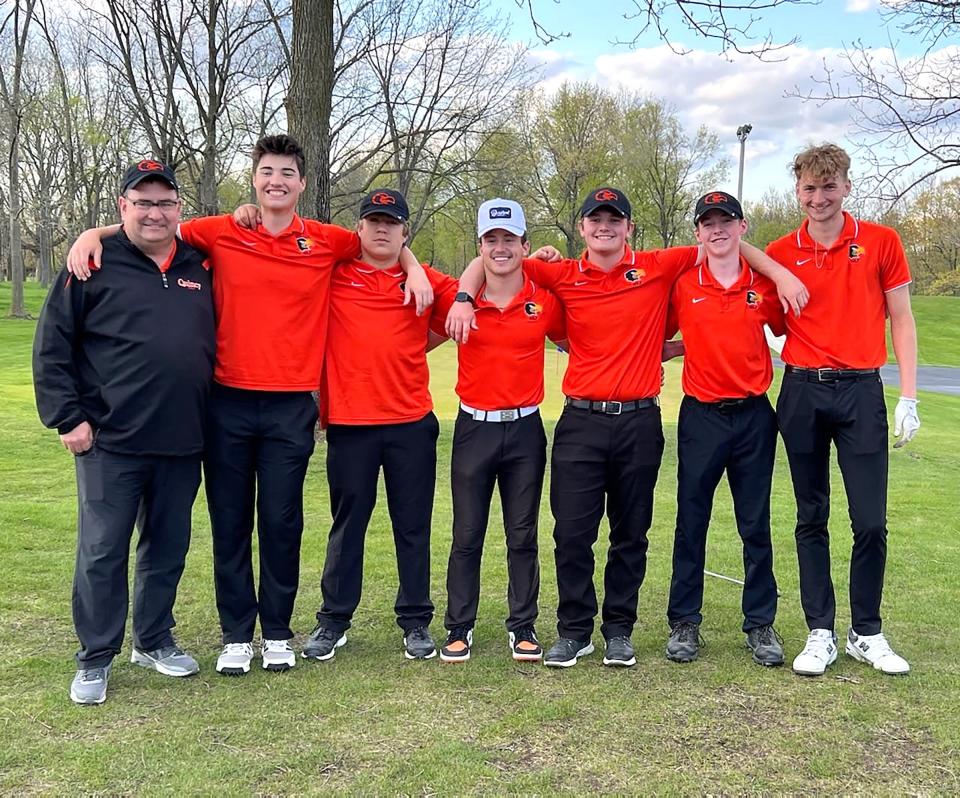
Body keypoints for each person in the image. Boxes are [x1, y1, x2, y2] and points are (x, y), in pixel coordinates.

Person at [65, 135, 433, 677]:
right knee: (230, 522)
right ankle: (237, 633)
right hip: (226, 404)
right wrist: (92, 232)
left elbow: (381, 240)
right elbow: (153, 227)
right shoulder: (221, 230)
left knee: (282, 522)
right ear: (254, 178)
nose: (276, 181)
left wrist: (416, 266)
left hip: (290, 408)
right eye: (267, 171)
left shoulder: (327, 240)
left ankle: (278, 631)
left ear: (302, 183)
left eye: (287, 172)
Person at [448, 186, 809, 668]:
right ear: (581, 229)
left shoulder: (657, 267)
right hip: (580, 421)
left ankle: (619, 630)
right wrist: (465, 297)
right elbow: (494, 258)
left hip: (640, 419)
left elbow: (721, 242)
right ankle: (575, 631)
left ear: (628, 228)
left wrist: (780, 272)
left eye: (614, 219)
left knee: (630, 533)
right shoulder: (559, 272)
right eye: (595, 219)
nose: (604, 227)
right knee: (572, 534)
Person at [34, 161, 215, 704]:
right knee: (102, 550)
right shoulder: (91, 263)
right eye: (143, 202)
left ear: (179, 209)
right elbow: (52, 345)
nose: (154, 212)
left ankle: (153, 638)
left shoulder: (201, 263)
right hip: (109, 440)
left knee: (167, 547)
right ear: (123, 208)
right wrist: (68, 417)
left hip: (183, 438)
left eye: (165, 202)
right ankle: (95, 656)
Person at [276, 189, 459, 661]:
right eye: (374, 221)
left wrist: (415, 272)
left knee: (412, 525)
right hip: (352, 424)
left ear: (405, 232)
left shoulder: (425, 281)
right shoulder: (334, 272)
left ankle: (416, 621)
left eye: (392, 223)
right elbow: (292, 238)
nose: (382, 229)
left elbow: (469, 296)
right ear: (359, 228)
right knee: (348, 524)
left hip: (411, 422)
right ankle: (334, 620)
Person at [766, 144, 919, 677]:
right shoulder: (781, 251)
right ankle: (821, 631)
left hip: (860, 391)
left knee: (870, 521)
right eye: (809, 188)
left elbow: (901, 318)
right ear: (798, 192)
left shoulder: (880, 241)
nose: (819, 197)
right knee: (811, 516)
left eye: (829, 186)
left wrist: (910, 395)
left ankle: (866, 632)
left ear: (846, 187)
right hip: (802, 390)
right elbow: (748, 297)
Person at [432, 199, 566, 663]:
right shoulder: (460, 300)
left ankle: (522, 625)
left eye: (510, 239)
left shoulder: (544, 298)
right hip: (475, 427)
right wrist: (466, 297)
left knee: (522, 532)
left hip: (526, 429)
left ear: (525, 245)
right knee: (467, 532)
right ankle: (458, 626)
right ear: (480, 246)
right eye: (492, 239)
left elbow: (579, 339)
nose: (501, 248)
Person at [662, 191, 786, 666]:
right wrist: (675, 351)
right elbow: (659, 334)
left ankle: (760, 624)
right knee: (692, 519)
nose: (717, 229)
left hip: (754, 415)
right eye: (708, 222)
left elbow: (791, 327)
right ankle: (684, 622)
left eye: (726, 221)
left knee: (754, 522)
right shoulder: (683, 283)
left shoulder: (763, 285)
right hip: (702, 416)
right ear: (697, 232)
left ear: (742, 227)